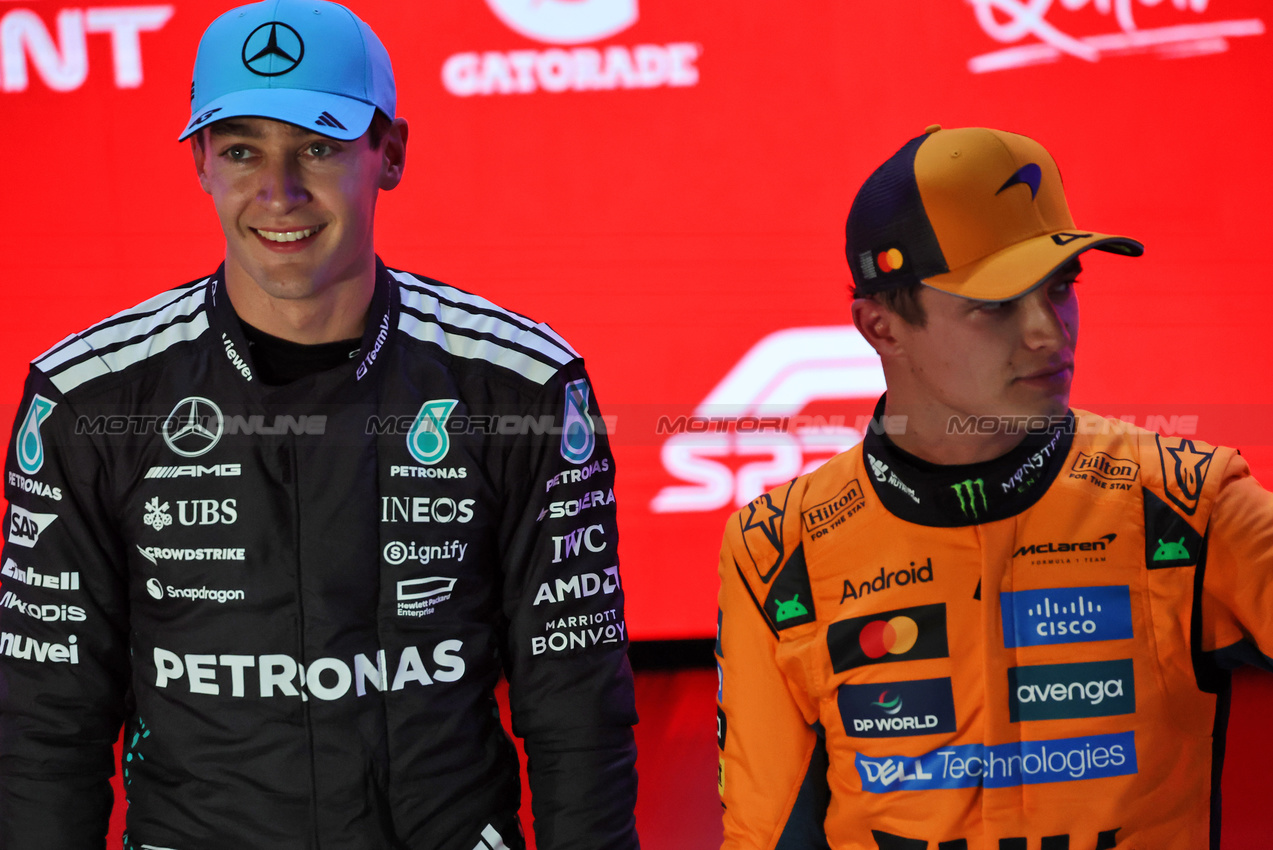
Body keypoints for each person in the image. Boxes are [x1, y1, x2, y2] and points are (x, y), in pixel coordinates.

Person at [0, 2, 638, 848]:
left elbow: (578, 709)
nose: (278, 190)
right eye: (240, 150)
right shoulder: (86, 397)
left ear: (392, 154)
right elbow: (46, 725)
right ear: (199, 163)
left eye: (318, 145)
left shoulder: (520, 385)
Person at [715, 124, 1273, 849]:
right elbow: (763, 835)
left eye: (1061, 287)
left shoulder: (1186, 501)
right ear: (880, 327)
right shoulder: (775, 547)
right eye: (996, 303)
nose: (1049, 333)